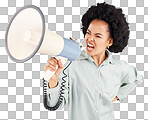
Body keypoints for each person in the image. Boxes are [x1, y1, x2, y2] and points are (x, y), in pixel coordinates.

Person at [43, 2, 144, 120]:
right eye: (88, 33)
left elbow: (138, 78)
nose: (90, 39)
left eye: (98, 36)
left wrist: (119, 95)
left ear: (110, 41)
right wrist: (53, 81)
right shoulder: (70, 64)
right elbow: (53, 105)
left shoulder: (119, 68)